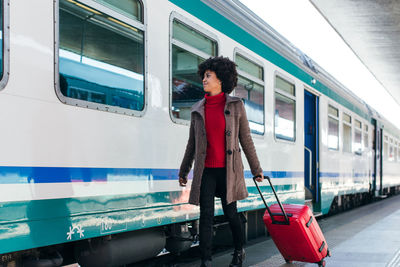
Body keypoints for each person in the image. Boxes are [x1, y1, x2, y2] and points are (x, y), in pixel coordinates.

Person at [178, 56, 264, 267]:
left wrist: (256, 169)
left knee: (231, 213)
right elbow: (192, 143)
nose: (204, 80)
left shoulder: (236, 106)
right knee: (205, 216)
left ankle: (239, 250)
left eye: (209, 76)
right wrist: (184, 170)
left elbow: (246, 139)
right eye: (204, 76)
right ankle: (205, 260)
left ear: (221, 79)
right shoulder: (198, 108)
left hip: (229, 171)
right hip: (206, 170)